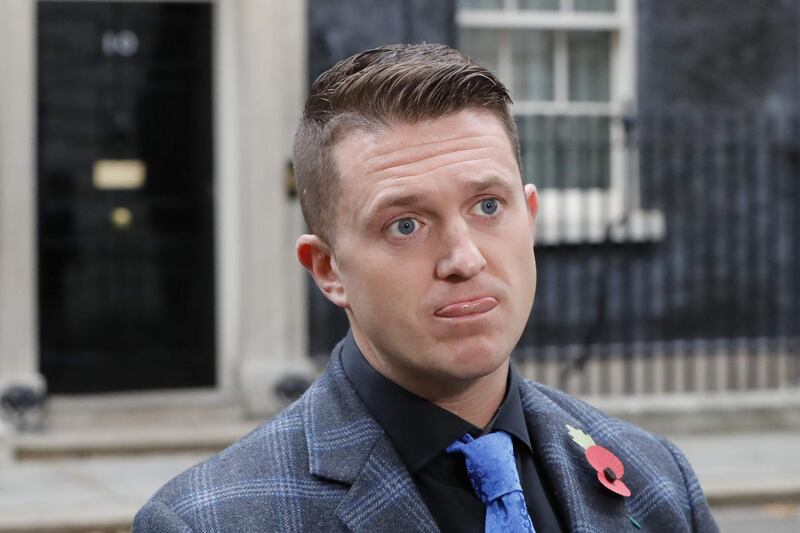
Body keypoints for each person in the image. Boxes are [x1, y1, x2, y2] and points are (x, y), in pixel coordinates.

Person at [134, 43, 719, 532]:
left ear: (531, 218)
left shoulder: (657, 479)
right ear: (328, 270)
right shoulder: (210, 521)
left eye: (488, 206)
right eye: (405, 225)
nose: (463, 258)